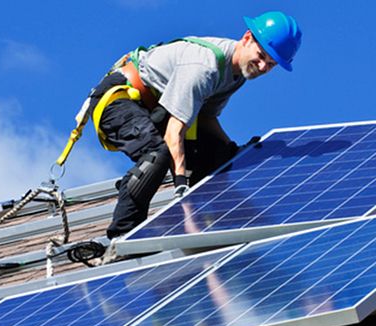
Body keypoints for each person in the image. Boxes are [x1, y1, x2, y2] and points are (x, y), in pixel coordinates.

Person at [87, 11, 302, 257]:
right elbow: (174, 132)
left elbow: (206, 118)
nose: (263, 66)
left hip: (157, 110)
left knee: (220, 158)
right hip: (120, 99)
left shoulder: (236, 74)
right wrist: (181, 185)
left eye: (271, 64)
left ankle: (215, 226)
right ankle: (123, 239)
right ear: (247, 38)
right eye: (261, 56)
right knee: (157, 156)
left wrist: (231, 150)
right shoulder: (205, 67)